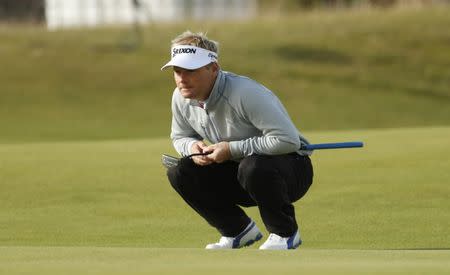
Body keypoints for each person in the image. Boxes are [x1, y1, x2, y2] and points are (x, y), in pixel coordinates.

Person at [161, 31, 314, 250]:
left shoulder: (245, 93)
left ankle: (285, 234)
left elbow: (288, 141)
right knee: (181, 171)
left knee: (254, 165)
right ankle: (237, 231)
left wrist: (232, 149)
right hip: (240, 173)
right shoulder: (181, 96)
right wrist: (192, 147)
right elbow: (180, 136)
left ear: (213, 69)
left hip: (289, 170)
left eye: (191, 71)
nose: (181, 78)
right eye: (177, 71)